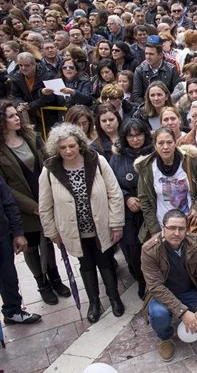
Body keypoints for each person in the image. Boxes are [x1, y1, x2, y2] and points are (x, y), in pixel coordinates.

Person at [39, 123, 125, 324]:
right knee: (85, 265)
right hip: (73, 230)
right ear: (56, 149)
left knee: (106, 262)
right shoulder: (50, 169)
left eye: (71, 146)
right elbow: (45, 205)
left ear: (79, 144)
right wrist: (53, 232)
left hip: (101, 226)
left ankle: (114, 298)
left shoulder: (97, 160)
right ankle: (94, 302)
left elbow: (114, 193)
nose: (68, 151)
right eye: (62, 148)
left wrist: (117, 223)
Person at [0, 100, 70, 305]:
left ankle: (55, 279)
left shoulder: (32, 136)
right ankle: (42, 284)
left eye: (16, 114)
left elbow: (48, 162)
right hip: (23, 207)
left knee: (48, 240)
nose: (17, 118)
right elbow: (5, 188)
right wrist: (32, 207)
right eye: (11, 116)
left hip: (44, 198)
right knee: (30, 247)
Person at [141, 209, 197, 362]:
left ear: (186, 229)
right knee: (159, 315)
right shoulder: (149, 250)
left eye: (181, 228)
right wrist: (183, 312)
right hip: (163, 295)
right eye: (172, 228)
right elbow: (156, 287)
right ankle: (165, 338)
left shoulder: (194, 242)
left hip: (190, 290)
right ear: (163, 226)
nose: (177, 233)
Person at [135, 127, 197, 245]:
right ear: (155, 146)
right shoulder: (147, 168)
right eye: (161, 143)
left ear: (175, 143)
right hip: (163, 226)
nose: (165, 147)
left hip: (189, 225)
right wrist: (154, 230)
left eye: (169, 142)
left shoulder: (190, 161)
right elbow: (145, 201)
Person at [109, 118, 154, 299]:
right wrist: (127, 198)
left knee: (152, 248)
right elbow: (110, 184)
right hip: (129, 212)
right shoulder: (117, 156)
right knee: (133, 251)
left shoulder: (154, 152)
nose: (135, 140)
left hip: (150, 210)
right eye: (131, 136)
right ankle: (142, 281)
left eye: (139, 135)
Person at [0, 175, 41, 325]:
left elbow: (8, 202)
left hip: (2, 236)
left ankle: (12, 311)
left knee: (8, 277)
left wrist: (17, 232)